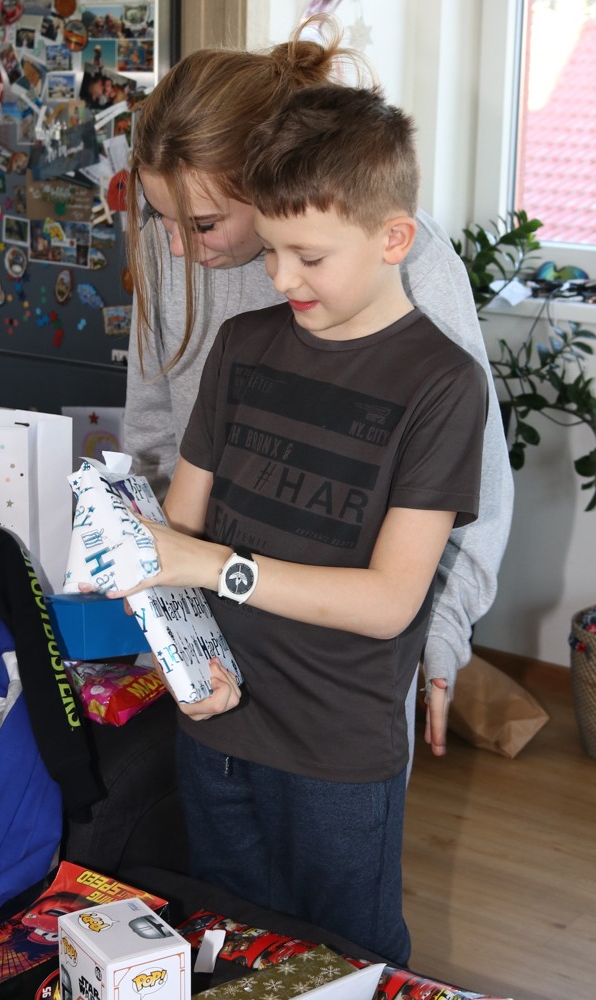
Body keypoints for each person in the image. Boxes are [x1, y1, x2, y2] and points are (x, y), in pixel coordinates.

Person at [114, 82, 487, 964]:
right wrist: (178, 655)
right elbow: (174, 534)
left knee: (346, 963)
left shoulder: (442, 385)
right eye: (273, 250)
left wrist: (214, 567)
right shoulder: (242, 345)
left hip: (335, 754)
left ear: (394, 239)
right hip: (215, 725)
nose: (280, 278)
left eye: (307, 257)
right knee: (232, 948)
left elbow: (388, 603)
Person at [123, 18, 513, 760]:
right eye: (158, 217)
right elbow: (151, 439)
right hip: (214, 643)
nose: (176, 247)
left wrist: (443, 627)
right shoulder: (165, 248)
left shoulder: (408, 261)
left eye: (202, 223)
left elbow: (475, 479)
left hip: (341, 674)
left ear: (267, 183)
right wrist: (166, 616)